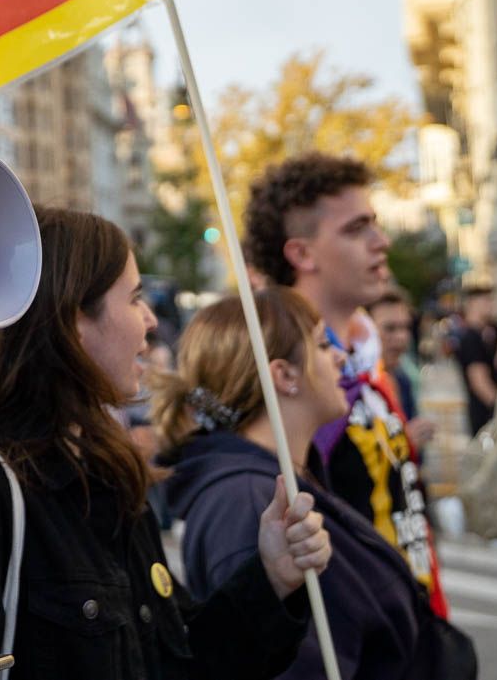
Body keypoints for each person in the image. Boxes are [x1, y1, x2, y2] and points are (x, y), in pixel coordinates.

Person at [0, 207, 327, 680]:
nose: (149, 320)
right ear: (71, 320)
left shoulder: (105, 472)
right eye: (134, 298)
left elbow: (180, 661)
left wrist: (272, 576)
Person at [156, 288, 470, 678]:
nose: (340, 356)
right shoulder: (250, 502)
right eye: (323, 345)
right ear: (284, 375)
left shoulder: (286, 477)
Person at [243, 153, 447, 616]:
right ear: (301, 253)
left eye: (375, 224)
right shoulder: (291, 381)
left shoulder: (365, 357)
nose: (382, 242)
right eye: (356, 229)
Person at [368, 289, 436, 451]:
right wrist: (402, 442)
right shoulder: (357, 390)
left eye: (406, 327)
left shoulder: (403, 379)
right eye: (390, 328)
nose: (402, 337)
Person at [456, 286, 497, 435]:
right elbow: (479, 382)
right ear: (472, 304)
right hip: (485, 415)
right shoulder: (470, 338)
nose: (491, 305)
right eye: (486, 300)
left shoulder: (492, 331)